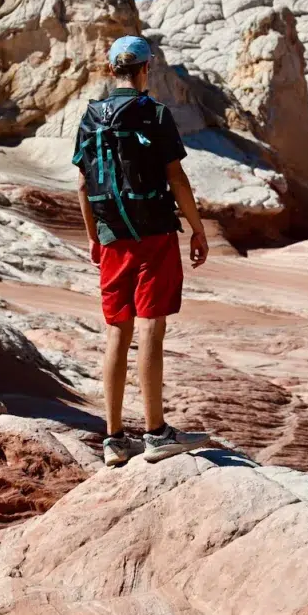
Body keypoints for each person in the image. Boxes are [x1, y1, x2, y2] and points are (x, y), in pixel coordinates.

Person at [74, 35, 211, 467]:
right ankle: (155, 433)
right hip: (153, 234)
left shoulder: (90, 116)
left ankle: (113, 439)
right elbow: (177, 177)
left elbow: (81, 184)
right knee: (151, 326)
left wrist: (95, 238)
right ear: (146, 69)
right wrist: (197, 228)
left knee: (117, 331)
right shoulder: (154, 113)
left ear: (111, 68)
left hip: (113, 236)